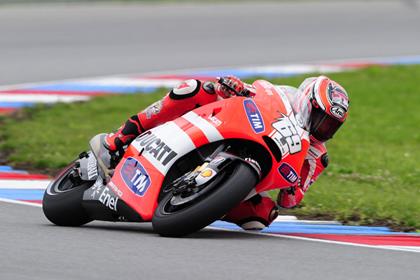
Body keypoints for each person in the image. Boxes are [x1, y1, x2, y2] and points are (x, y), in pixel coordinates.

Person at [104, 75, 350, 230]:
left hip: (258, 169)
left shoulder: (317, 156)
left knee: (263, 216)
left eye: (331, 125)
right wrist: (233, 86)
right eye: (321, 119)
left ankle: (200, 204)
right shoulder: (279, 95)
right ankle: (125, 133)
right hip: (229, 125)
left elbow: (290, 200)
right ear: (307, 103)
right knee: (192, 88)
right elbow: (247, 89)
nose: (323, 127)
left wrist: (292, 186)